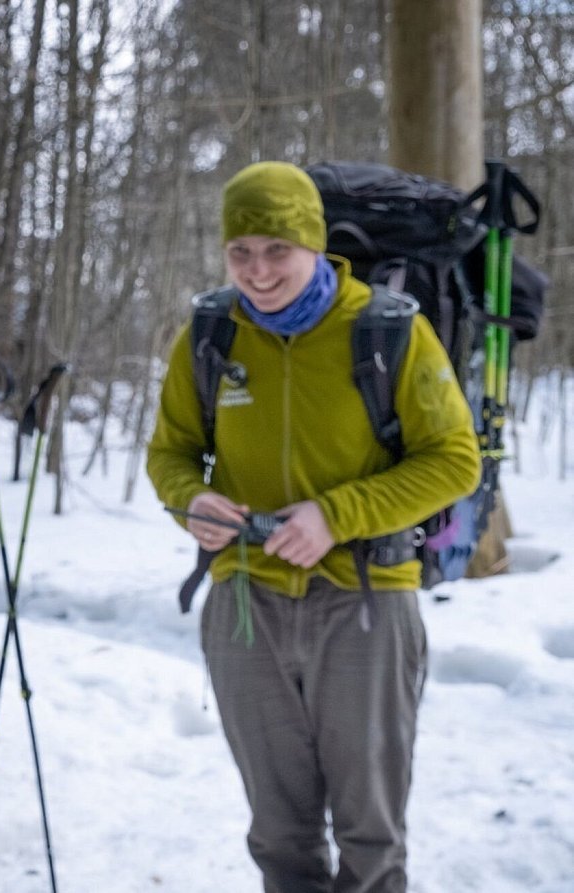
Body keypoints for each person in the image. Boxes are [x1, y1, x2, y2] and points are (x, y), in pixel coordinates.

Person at [146, 161, 480, 892]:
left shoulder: (388, 331)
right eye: (241, 251)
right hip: (245, 604)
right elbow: (170, 452)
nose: (258, 271)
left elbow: (456, 461)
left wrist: (336, 515)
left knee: (371, 834)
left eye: (278, 250)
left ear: (315, 244)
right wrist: (192, 500)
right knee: (279, 832)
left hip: (365, 600)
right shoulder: (211, 333)